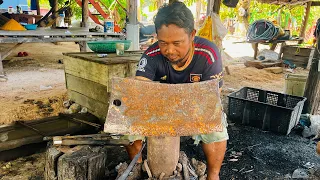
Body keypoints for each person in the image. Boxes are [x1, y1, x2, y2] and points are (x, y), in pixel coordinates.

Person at [125, 2, 228, 180]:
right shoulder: (151, 56)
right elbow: (139, 92)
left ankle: (213, 175)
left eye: (177, 43)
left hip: (197, 107)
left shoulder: (209, 54)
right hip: (161, 108)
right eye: (163, 42)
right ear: (156, 36)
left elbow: (212, 98)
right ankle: (139, 165)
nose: (169, 50)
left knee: (216, 124)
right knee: (128, 122)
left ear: (192, 35)